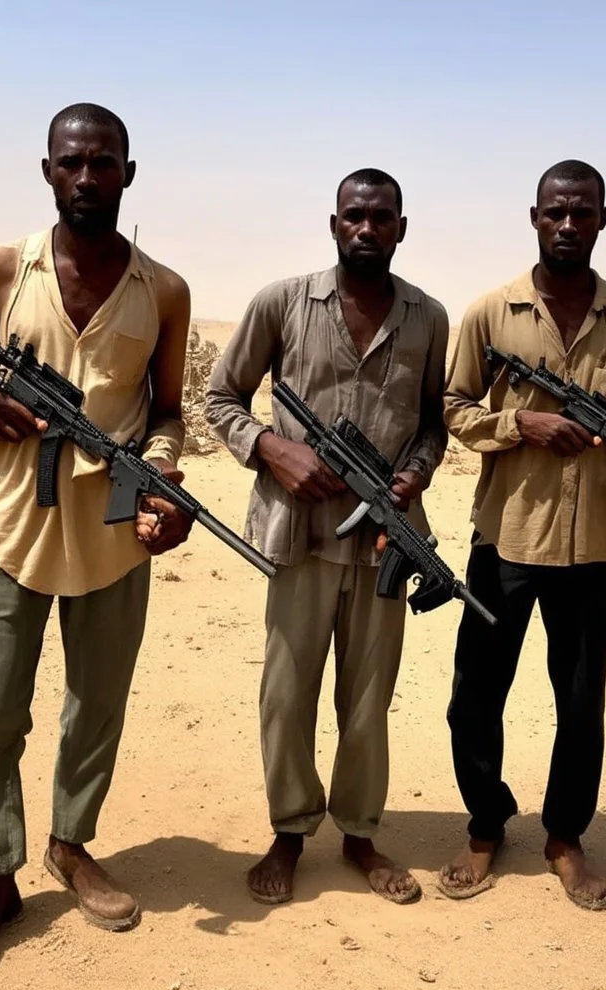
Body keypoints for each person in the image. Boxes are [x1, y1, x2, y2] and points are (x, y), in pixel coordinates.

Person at [0, 102, 193, 979]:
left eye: (104, 163)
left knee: (96, 707)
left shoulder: (165, 290)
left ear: (129, 175)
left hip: (113, 537)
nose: (88, 177)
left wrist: (161, 478)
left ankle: (71, 844)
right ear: (48, 171)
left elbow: (168, 413)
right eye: (72, 162)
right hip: (12, 529)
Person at [437, 159, 606, 910]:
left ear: (602, 220)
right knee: (475, 695)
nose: (567, 225)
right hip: (505, 537)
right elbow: (455, 408)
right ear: (534, 217)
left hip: (591, 547)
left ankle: (564, 838)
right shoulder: (491, 313)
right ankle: (486, 826)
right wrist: (521, 423)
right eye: (555, 211)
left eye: (582, 212)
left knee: (581, 703)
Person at [204, 168, 449, 905]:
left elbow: (435, 423)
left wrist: (414, 475)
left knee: (368, 701)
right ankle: (289, 830)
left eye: (381, 217)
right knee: (287, 695)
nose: (366, 228)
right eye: (354, 215)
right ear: (334, 223)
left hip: (384, 543)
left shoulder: (429, 317)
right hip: (299, 533)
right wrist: (271, 449)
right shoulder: (282, 302)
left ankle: (360, 834)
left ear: (401, 228)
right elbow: (220, 397)